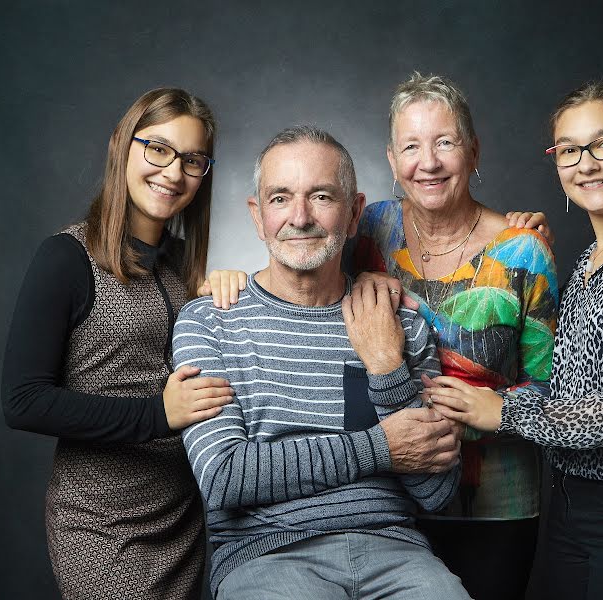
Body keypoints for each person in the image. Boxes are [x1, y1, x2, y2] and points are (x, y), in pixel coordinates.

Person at [200, 73, 558, 600]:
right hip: (391, 501)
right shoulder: (367, 227)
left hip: (488, 495)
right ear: (392, 161)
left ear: (473, 151)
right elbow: (297, 270)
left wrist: (490, 409)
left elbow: (556, 390)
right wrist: (221, 282)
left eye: (445, 142)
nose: (428, 161)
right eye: (411, 146)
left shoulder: (522, 250)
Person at [426, 82, 603, 600]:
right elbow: (567, 386)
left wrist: (505, 413)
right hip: (574, 506)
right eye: (570, 150)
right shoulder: (587, 263)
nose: (587, 164)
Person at [173, 125, 470, 600]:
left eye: (322, 196)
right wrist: (380, 449)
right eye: (280, 198)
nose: (300, 217)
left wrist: (386, 367)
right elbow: (224, 477)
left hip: (396, 554)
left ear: (354, 213)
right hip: (267, 558)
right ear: (257, 215)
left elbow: (437, 493)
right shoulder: (210, 322)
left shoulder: (402, 322)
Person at [2, 88, 233, 598]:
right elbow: (23, 401)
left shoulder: (179, 266)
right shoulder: (66, 257)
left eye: (192, 160)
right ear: (121, 146)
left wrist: (232, 290)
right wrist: (158, 414)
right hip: (101, 526)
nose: (173, 173)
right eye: (158, 149)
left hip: (183, 521)